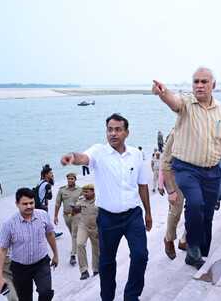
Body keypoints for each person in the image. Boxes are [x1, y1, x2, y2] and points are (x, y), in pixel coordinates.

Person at [152, 67, 221, 270]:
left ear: (213, 84)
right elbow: (174, 101)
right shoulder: (187, 103)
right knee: (195, 204)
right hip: (186, 168)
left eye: (204, 81)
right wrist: (163, 93)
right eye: (196, 81)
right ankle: (193, 249)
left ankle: (196, 249)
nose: (199, 85)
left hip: (212, 170)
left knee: (206, 212)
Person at [60, 113, 152, 301]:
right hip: (108, 218)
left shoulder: (136, 154)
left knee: (141, 255)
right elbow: (83, 158)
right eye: (110, 129)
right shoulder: (99, 152)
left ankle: (131, 296)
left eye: (118, 129)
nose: (113, 133)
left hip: (133, 215)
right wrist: (72, 157)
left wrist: (148, 213)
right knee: (107, 263)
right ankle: (107, 298)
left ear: (127, 132)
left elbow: (142, 185)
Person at [0, 187, 59, 301]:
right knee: (25, 298)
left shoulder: (43, 215)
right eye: (25, 204)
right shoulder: (9, 224)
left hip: (41, 263)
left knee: (46, 293)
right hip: (20, 268)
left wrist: (56, 255)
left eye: (31, 203)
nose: (29, 206)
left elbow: (50, 234)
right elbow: (2, 249)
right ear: (17, 204)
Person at [158, 129, 187, 259]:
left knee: (197, 208)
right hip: (174, 175)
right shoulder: (175, 133)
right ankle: (169, 239)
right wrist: (163, 186)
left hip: (194, 173)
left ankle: (185, 239)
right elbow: (164, 163)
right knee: (176, 209)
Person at [53, 172, 82, 266]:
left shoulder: (80, 190)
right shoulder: (62, 190)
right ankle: (76, 245)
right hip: (66, 216)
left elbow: (84, 203)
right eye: (68, 179)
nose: (70, 180)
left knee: (74, 234)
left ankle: (73, 255)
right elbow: (58, 204)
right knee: (72, 233)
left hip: (77, 215)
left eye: (72, 179)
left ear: (75, 180)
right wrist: (55, 216)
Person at [74, 184, 99, 280]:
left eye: (87, 192)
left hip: (96, 227)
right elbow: (75, 211)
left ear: (93, 191)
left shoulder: (99, 200)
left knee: (96, 248)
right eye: (83, 191)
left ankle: (96, 269)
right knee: (80, 244)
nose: (84, 194)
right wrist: (75, 209)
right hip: (83, 226)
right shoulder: (81, 200)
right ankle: (84, 270)